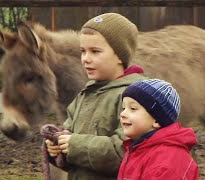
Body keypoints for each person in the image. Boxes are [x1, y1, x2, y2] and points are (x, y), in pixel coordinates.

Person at [45, 13, 147, 179]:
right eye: (83, 51)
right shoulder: (86, 94)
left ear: (120, 56)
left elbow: (126, 151)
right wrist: (57, 148)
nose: (85, 59)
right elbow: (69, 135)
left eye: (95, 52)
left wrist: (74, 145)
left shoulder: (135, 96)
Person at [118, 79, 199, 180]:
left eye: (133, 108)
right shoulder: (138, 149)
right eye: (123, 108)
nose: (122, 114)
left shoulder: (165, 164)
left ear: (157, 120)